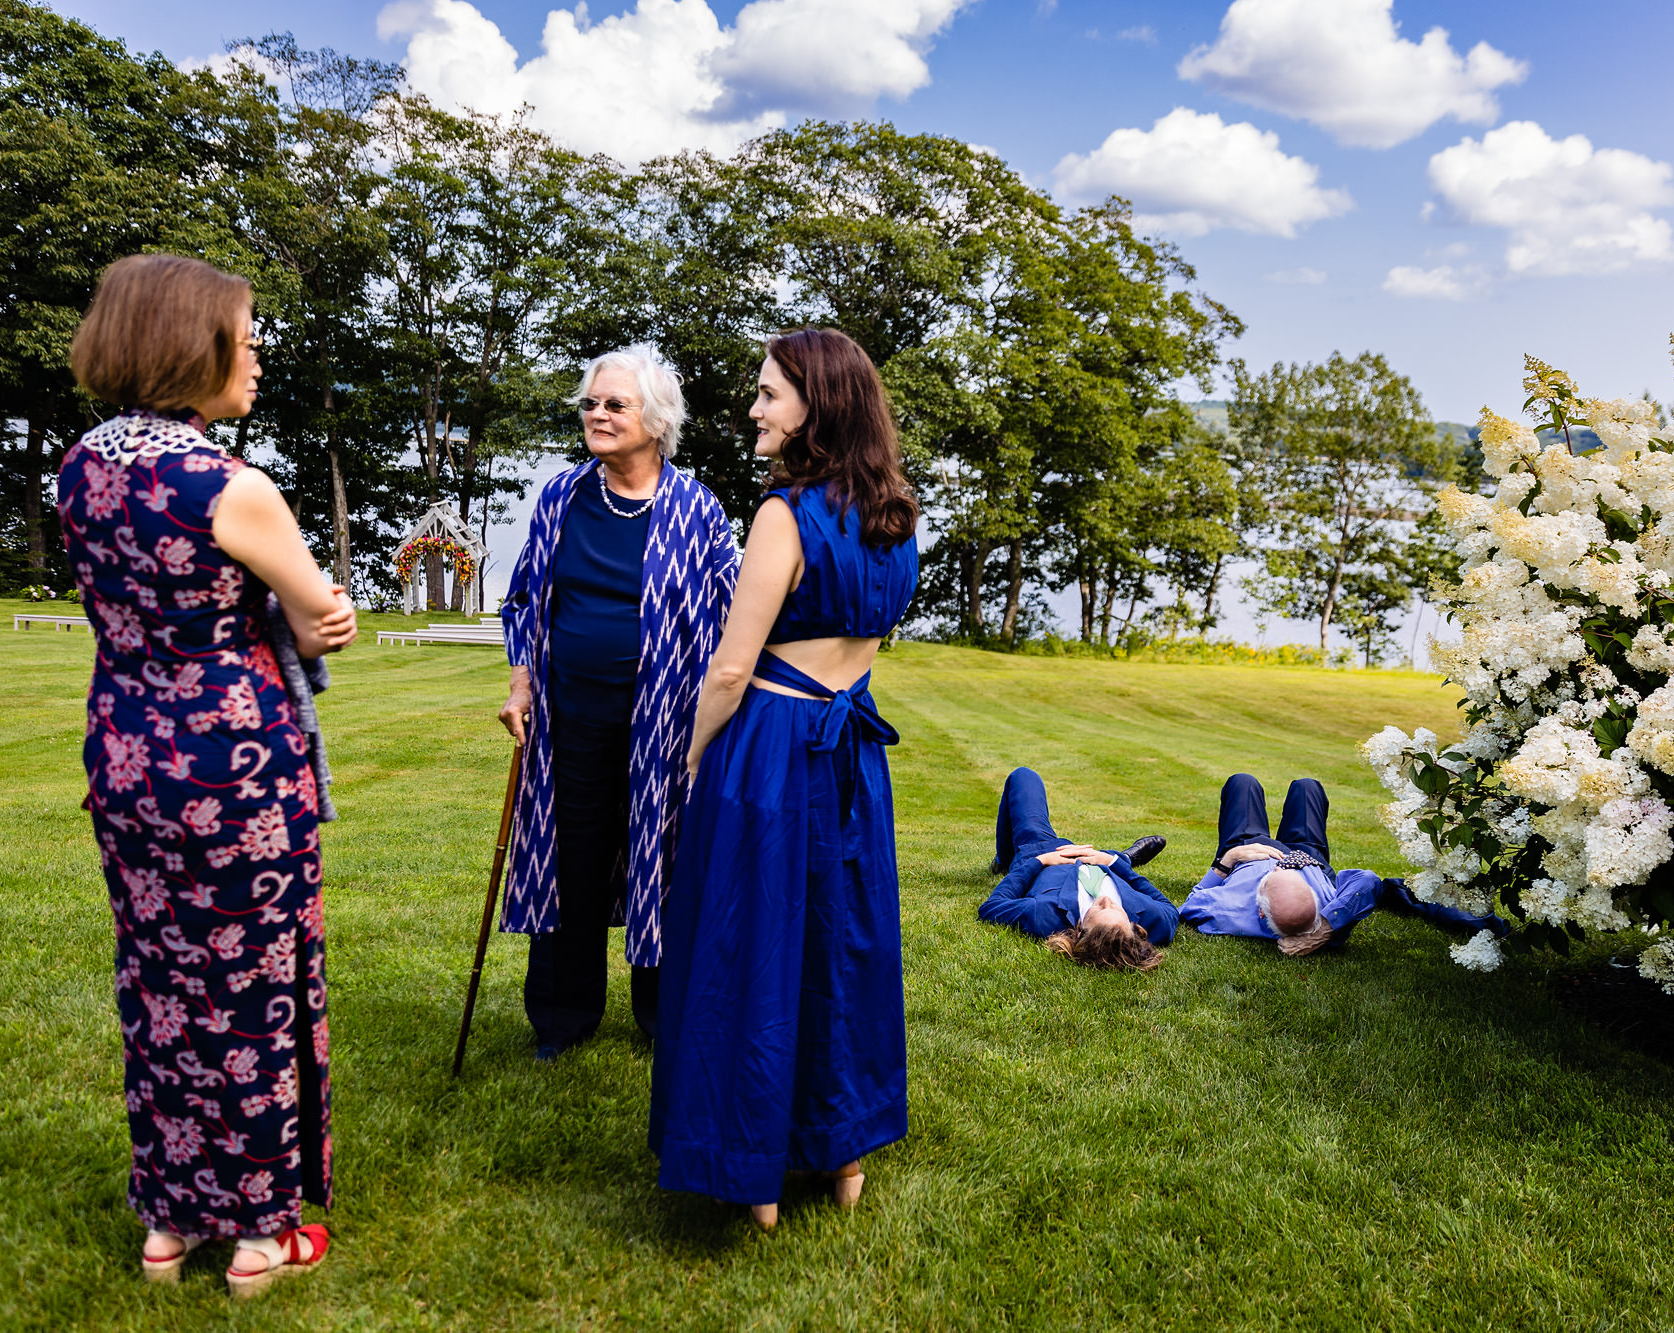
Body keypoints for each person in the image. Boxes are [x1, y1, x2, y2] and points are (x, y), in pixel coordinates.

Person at [57, 253, 356, 1296]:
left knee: (159, 987)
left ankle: (167, 1226)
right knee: (250, 987)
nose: (259, 350)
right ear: (192, 344)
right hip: (233, 764)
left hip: (128, 747)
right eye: (246, 330)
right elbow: (323, 614)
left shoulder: (81, 465)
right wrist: (322, 617)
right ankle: (262, 1234)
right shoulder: (233, 486)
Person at [650, 328, 919, 1230]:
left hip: (771, 742)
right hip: (850, 757)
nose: (755, 409)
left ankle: (750, 1170)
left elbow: (729, 668)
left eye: (770, 393)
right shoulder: (895, 514)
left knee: (750, 947)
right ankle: (842, 1156)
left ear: (818, 403)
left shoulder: (784, 513)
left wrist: (691, 757)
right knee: (841, 947)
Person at [497, 347, 737, 1058]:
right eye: (590, 404)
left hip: (664, 726)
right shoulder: (562, 496)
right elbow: (528, 600)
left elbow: (731, 614)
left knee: (659, 860)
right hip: (568, 717)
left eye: (613, 405)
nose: (596, 415)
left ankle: (663, 1016)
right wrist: (521, 684)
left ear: (655, 421)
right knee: (567, 858)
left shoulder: (697, 508)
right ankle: (562, 1017)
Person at [1179, 773, 1507, 955]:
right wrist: (1325, 928)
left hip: (1251, 853)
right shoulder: (1330, 923)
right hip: (1311, 859)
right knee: (1308, 787)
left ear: (1260, 910)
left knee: (1242, 783)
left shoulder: (1227, 912)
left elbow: (1190, 905)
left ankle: (1245, 823)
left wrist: (1228, 861)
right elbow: (1368, 881)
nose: (1282, 868)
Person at [977, 767, 1174, 970]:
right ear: (1133, 928)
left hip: (1047, 849)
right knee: (1117, 859)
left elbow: (991, 908)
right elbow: (1169, 910)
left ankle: (1004, 859)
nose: (1107, 901)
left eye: (1098, 909)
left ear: (1080, 930)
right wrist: (1111, 862)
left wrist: (1040, 861)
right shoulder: (1156, 922)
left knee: (1024, 776)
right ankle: (1123, 858)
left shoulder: (1043, 915)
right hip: (1102, 860)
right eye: (1117, 909)